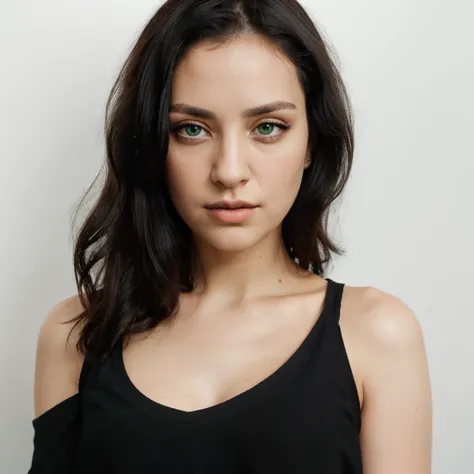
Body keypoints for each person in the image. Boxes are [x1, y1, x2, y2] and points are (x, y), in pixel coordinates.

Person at [29, 0, 432, 473]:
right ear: (153, 142)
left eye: (267, 127)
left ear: (312, 143)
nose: (230, 171)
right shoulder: (77, 333)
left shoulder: (376, 335)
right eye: (192, 130)